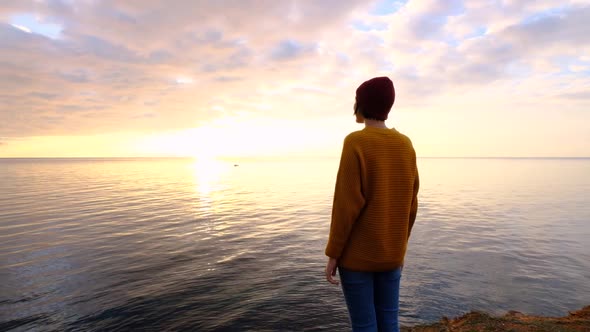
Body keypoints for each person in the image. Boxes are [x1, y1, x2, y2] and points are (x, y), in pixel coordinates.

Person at [325, 76, 419, 332]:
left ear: (362, 104)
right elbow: (411, 205)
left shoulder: (355, 142)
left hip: (357, 258)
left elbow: (346, 206)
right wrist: (400, 246)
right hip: (392, 255)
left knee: (365, 325)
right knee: (389, 321)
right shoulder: (405, 144)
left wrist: (333, 253)